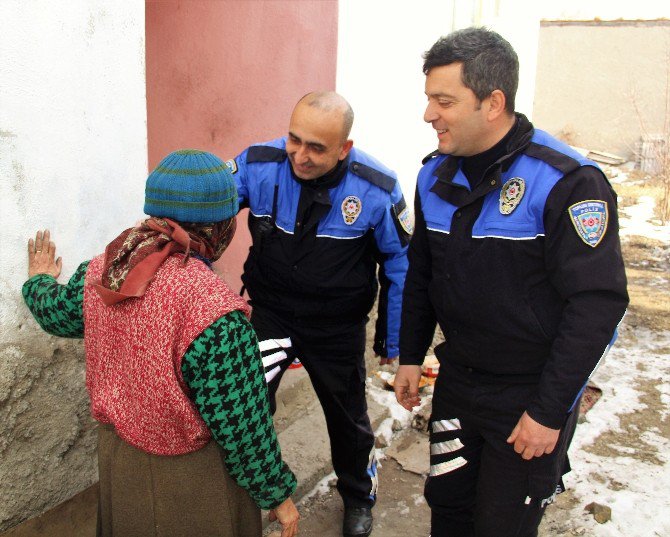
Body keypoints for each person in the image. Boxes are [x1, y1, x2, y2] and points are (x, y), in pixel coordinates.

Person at [394, 27, 628, 537]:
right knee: (449, 513)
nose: (429, 114)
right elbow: (422, 273)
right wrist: (410, 354)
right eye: (429, 99)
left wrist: (548, 412)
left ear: (493, 102)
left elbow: (597, 305)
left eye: (444, 101)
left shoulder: (568, 181)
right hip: (459, 386)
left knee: (503, 525)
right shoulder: (435, 176)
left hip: (528, 397)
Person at [22, 150, 300, 537]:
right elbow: (242, 425)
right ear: (221, 226)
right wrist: (279, 497)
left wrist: (38, 280)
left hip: (121, 469)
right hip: (191, 484)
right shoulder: (215, 312)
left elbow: (55, 312)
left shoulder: (106, 268)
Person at [226, 91, 411, 537]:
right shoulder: (258, 163)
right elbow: (209, 212)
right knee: (245, 404)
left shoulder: (377, 188)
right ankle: (247, 495)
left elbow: (401, 264)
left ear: (344, 148)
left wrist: (395, 341)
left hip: (336, 326)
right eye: (295, 139)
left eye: (316, 148)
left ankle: (358, 496)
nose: (300, 155)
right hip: (271, 315)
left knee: (348, 420)